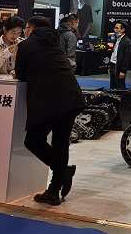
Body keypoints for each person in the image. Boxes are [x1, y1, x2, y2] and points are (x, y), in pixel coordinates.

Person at [14, 16, 86, 206]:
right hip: (72, 97)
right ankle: (54, 191)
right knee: (60, 143)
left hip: (51, 100)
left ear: (32, 28)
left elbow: (21, 74)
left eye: (26, 28)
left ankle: (62, 172)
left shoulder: (26, 45)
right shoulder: (56, 42)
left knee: (33, 141)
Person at [108, 20, 131, 89]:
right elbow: (114, 53)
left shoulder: (127, 42)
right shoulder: (116, 39)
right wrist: (110, 66)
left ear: (123, 30)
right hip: (113, 65)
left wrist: (123, 71)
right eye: (115, 28)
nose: (115, 30)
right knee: (112, 87)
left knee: (120, 87)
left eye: (117, 28)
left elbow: (127, 58)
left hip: (119, 68)